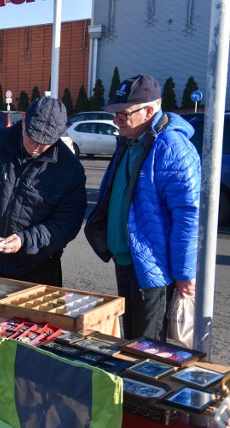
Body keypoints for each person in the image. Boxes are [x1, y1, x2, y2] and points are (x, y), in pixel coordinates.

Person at [0, 97, 87, 418]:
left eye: (45, 141)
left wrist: (26, 240)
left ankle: (28, 405)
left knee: (31, 342)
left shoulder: (69, 169)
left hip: (36, 267)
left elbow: (66, 225)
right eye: (32, 136)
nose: (36, 146)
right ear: (23, 121)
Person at [84, 74, 200, 341]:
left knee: (148, 354)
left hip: (152, 272)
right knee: (131, 344)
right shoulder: (130, 142)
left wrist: (184, 273)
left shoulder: (172, 147)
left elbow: (188, 215)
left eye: (122, 115)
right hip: (126, 262)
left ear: (149, 111)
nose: (115, 121)